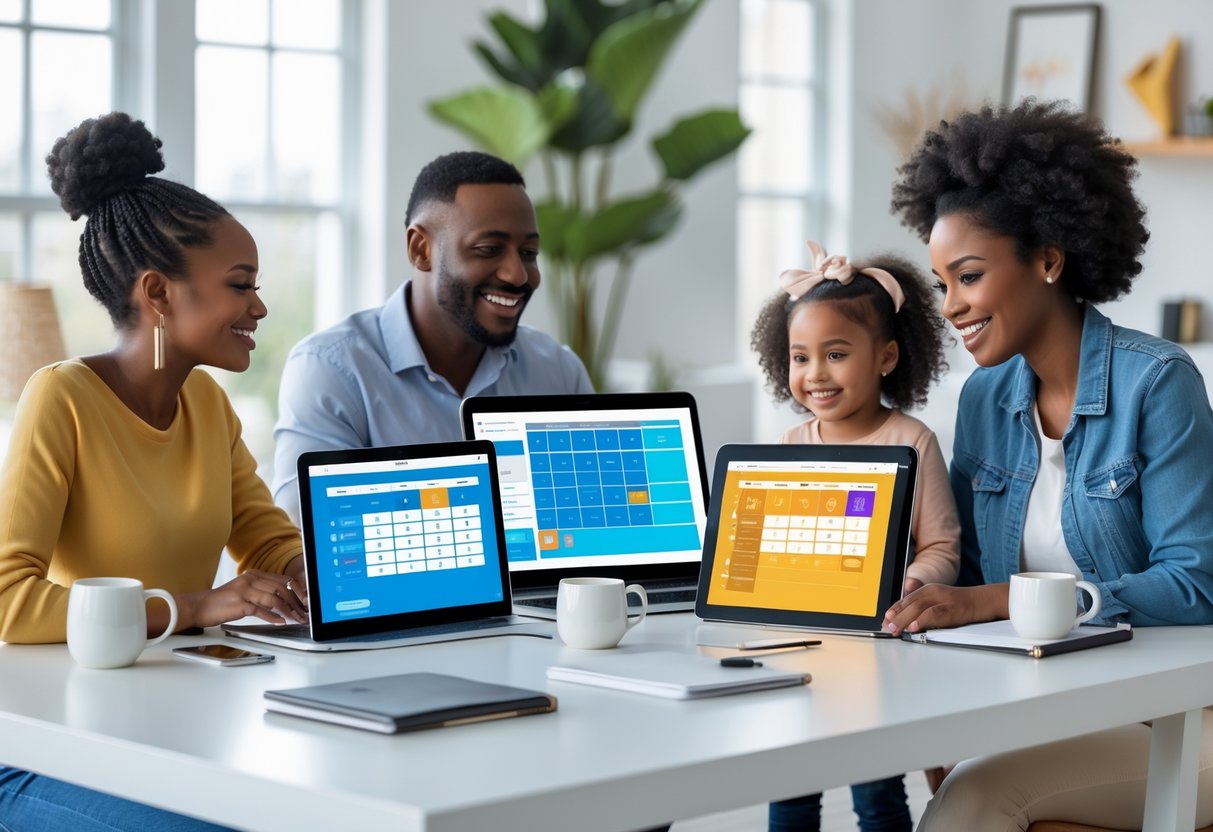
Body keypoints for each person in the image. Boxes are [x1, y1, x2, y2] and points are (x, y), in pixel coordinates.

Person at [885, 100, 1213, 828]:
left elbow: (1195, 586)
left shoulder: (1156, 383)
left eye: (966, 276)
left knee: (971, 802)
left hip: (1185, 716)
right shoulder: (984, 399)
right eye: (941, 284)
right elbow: (965, 575)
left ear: (1047, 259)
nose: (949, 306)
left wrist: (1006, 599)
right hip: (1064, 704)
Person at [0, 112, 306, 830]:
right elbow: (8, 601)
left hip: (165, 729)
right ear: (159, 293)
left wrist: (326, 575)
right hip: (48, 751)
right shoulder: (61, 397)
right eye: (240, 285)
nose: (259, 306)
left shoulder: (205, 401)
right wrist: (195, 606)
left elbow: (266, 544)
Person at [750, 241, 961, 832]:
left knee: (877, 788)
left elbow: (942, 546)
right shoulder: (789, 449)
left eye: (836, 353)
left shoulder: (913, 441)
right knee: (789, 784)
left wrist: (914, 586)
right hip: (797, 645)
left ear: (887, 356)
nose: (815, 373)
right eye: (800, 357)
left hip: (879, 652)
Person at [271, 150, 593, 521]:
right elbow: (310, 546)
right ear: (420, 249)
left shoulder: (559, 371)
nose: (518, 275)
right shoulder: (332, 369)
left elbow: (590, 523)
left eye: (529, 252)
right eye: (488, 249)